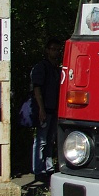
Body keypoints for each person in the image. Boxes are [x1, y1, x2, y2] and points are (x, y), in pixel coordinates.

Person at [31, 37, 63, 184]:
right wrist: (41, 109)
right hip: (44, 109)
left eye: (57, 50)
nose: (55, 52)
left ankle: (48, 168)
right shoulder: (41, 67)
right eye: (53, 49)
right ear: (47, 50)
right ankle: (38, 170)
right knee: (41, 141)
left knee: (50, 140)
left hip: (54, 109)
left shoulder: (57, 68)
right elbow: (37, 88)